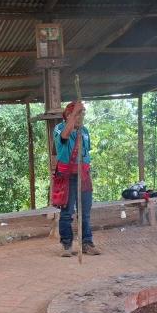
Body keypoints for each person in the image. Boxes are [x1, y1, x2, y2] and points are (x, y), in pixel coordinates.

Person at [54, 101, 101, 256]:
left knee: (85, 212)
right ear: (68, 115)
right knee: (67, 212)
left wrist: (89, 177)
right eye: (78, 113)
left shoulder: (85, 131)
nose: (81, 116)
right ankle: (66, 245)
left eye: (82, 113)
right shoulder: (60, 128)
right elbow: (65, 136)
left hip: (84, 175)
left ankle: (87, 243)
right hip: (68, 176)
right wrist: (74, 115)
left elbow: (86, 156)